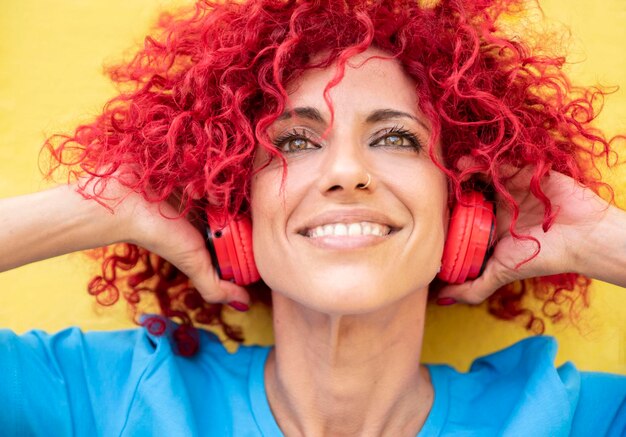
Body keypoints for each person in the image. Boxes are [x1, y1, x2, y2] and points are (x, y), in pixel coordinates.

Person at [1, 0, 625, 435]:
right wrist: (100, 204)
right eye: (294, 142)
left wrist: (600, 240)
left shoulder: (567, 418)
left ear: (465, 205)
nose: (345, 171)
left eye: (398, 139)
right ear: (231, 208)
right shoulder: (110, 396)